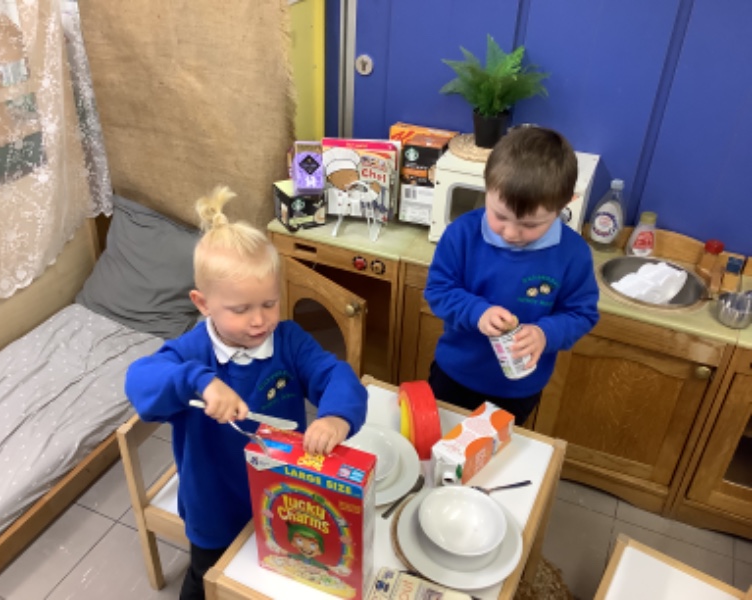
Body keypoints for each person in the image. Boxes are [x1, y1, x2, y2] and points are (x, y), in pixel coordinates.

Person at [125, 186, 368, 600]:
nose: (259, 321)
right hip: (215, 508)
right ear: (203, 303)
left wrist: (335, 416)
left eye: (269, 304)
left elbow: (336, 376)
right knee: (208, 579)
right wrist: (199, 381)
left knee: (273, 579)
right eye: (240, 310)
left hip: (284, 495)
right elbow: (140, 381)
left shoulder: (289, 340)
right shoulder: (192, 352)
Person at [424, 126, 599, 425]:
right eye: (500, 216)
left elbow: (581, 314)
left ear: (565, 202)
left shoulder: (573, 254)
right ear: (487, 187)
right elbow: (439, 290)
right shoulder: (462, 234)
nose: (511, 233)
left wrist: (545, 334)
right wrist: (478, 312)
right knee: (436, 442)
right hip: (454, 374)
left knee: (495, 452)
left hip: (518, 390)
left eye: (530, 225)